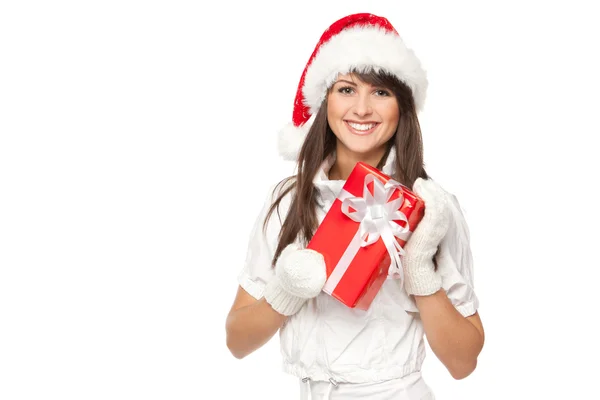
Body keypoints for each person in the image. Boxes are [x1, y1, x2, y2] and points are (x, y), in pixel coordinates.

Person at [225, 12, 485, 400]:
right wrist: (286, 291)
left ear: (403, 106)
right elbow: (237, 342)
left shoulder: (431, 207)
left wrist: (418, 270)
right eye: (346, 89)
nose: (362, 109)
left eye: (380, 92)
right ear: (325, 100)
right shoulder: (288, 200)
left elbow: (463, 363)